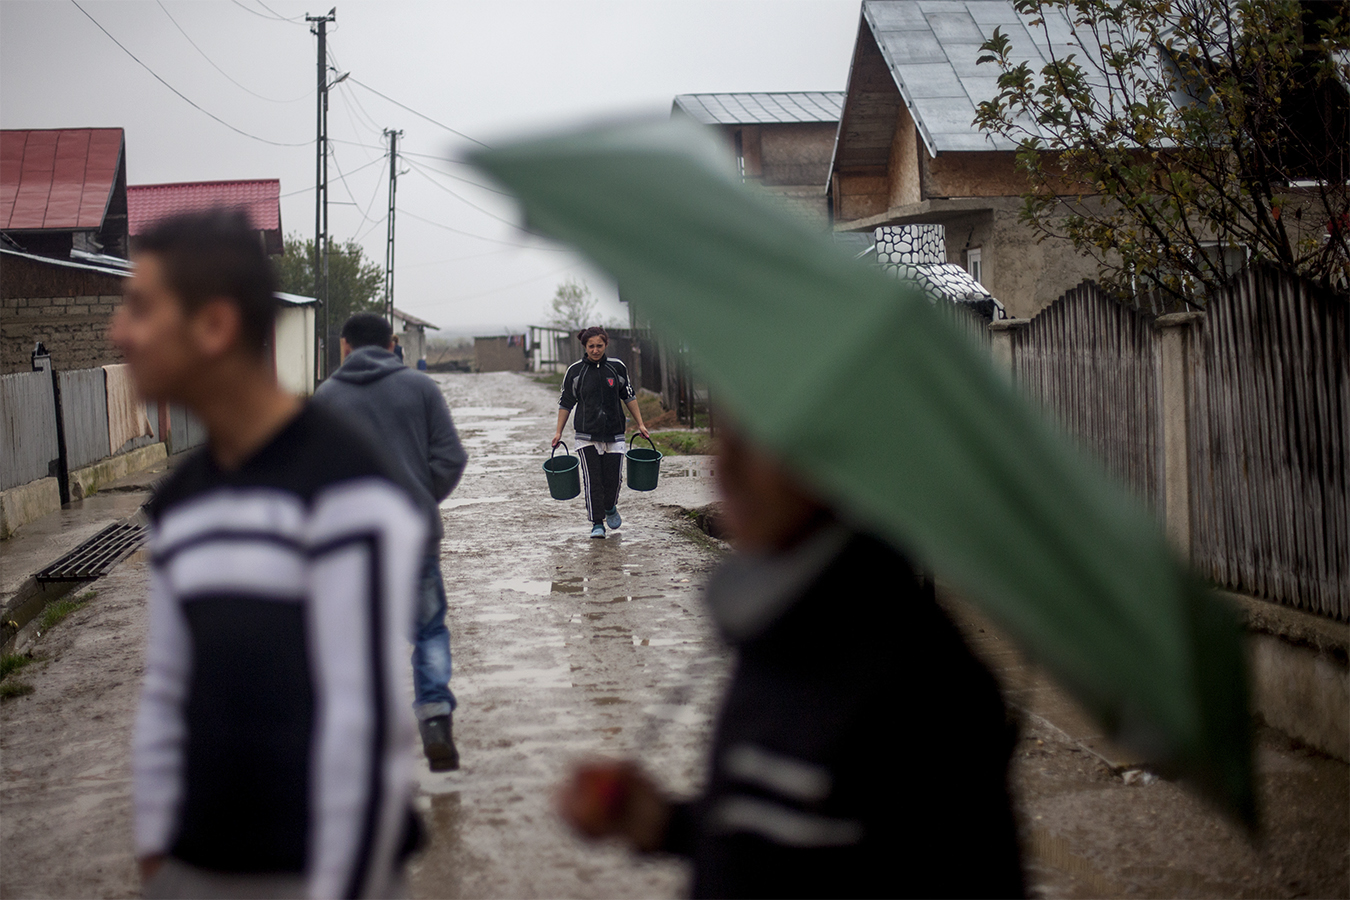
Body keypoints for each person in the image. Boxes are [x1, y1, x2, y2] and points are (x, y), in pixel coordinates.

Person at [557, 425, 1025, 898]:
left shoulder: (922, 682)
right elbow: (777, 845)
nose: (726, 469)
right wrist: (660, 822)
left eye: (759, 445)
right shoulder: (779, 629)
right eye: (729, 439)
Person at [113, 210, 424, 899]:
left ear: (215, 326)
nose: (119, 333)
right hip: (197, 870)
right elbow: (167, 693)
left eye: (140, 308)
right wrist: (159, 858)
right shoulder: (180, 503)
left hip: (313, 873)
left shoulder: (345, 490)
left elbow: (363, 728)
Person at [314, 311, 468, 772]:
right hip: (415, 536)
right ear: (392, 344)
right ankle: (436, 719)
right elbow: (451, 458)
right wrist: (419, 498)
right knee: (428, 631)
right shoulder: (421, 389)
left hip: (352, 543)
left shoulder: (325, 397)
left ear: (344, 346)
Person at [551, 326, 649, 538]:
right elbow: (565, 403)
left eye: (599, 346)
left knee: (613, 479)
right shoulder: (575, 371)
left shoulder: (617, 367)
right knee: (592, 480)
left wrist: (640, 424)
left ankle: (610, 507)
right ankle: (597, 523)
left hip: (614, 432)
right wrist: (558, 432)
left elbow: (629, 396)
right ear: (584, 347)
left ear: (606, 345)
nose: (595, 350)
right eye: (591, 346)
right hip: (586, 434)